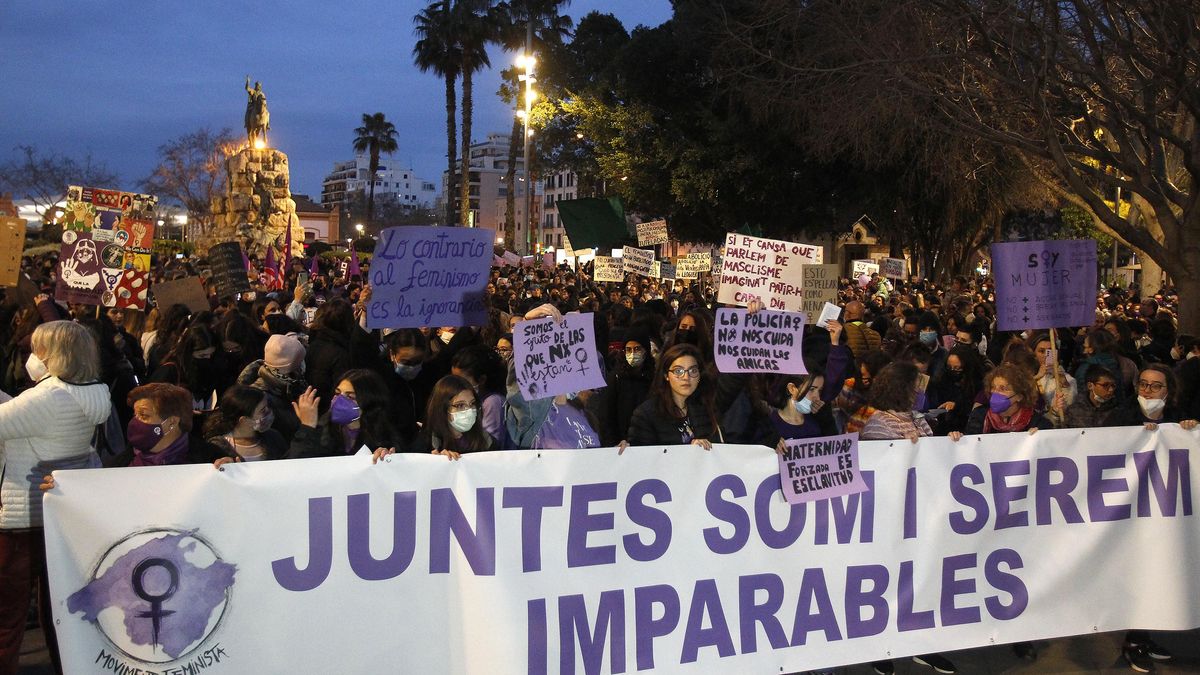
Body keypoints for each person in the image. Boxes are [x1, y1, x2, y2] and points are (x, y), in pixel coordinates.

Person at [0, 321, 111, 673]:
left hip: (19, 518)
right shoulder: (95, 393)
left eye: (38, 350)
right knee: (58, 611)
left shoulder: (47, 397)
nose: (33, 357)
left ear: (53, 355)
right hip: (57, 516)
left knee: (7, 615)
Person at [290, 369, 407, 458]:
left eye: (350, 397)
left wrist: (385, 459)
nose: (339, 400)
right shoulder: (320, 431)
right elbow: (295, 468)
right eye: (337, 393)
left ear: (369, 403)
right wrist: (306, 429)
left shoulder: (385, 439)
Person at [626, 344, 721, 448]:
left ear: (699, 375)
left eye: (693, 371)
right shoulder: (646, 414)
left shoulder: (705, 406)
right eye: (678, 371)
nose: (686, 377)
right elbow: (641, 457)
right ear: (666, 375)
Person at [403, 375, 496, 458]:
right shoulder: (424, 444)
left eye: (472, 403)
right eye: (460, 405)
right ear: (442, 408)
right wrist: (436, 463)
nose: (469, 410)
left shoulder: (486, 441)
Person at [106, 383, 197, 467]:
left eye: (144, 415)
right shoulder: (118, 465)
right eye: (135, 415)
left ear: (171, 422)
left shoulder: (205, 465)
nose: (135, 421)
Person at [204, 385, 289, 465]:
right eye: (262, 411)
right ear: (244, 421)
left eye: (268, 406)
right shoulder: (217, 447)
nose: (269, 412)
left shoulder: (274, 438)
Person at [962, 364, 1050, 436]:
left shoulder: (1036, 422)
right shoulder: (979, 416)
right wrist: (958, 439)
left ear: (1019, 396)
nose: (996, 392)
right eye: (993, 387)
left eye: (1003, 388)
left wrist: (1040, 436)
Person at [451, 345, 508, 444]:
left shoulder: (493, 402)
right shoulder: (479, 399)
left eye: (462, 381)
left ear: (482, 380)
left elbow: (489, 444)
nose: (457, 385)